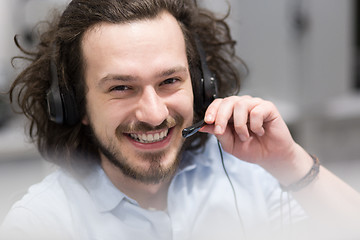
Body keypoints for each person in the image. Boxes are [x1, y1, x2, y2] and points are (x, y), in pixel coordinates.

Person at [1, 0, 360, 239]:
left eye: (170, 81)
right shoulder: (40, 223)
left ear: (202, 86)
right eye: (122, 87)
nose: (154, 113)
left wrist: (290, 162)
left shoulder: (251, 178)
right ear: (74, 104)